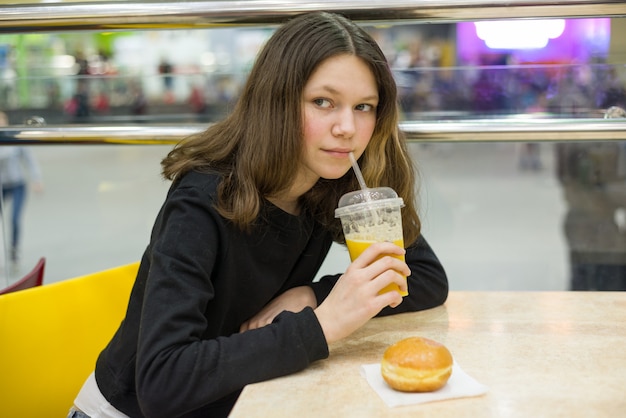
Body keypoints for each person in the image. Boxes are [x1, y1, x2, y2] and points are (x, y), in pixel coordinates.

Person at [69, 12, 448, 418]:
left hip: (240, 401)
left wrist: (312, 296)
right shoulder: (203, 199)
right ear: (277, 100)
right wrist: (322, 325)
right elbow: (162, 382)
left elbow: (424, 277)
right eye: (323, 102)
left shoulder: (333, 181)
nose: (347, 127)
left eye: (364, 107)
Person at [0, 111, 44, 267]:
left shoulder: (14, 138)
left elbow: (29, 160)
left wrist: (36, 179)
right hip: (2, 186)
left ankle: (14, 250)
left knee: (14, 218)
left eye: (2, 120)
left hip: (17, 184)